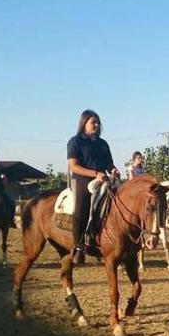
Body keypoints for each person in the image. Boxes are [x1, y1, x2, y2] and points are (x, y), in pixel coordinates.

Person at [66, 109, 119, 265]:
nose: (96, 125)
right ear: (84, 124)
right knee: (81, 207)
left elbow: (109, 164)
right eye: (92, 122)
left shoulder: (103, 144)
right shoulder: (75, 142)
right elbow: (74, 166)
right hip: (82, 180)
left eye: (97, 122)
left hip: (102, 179)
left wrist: (113, 169)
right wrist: (95, 173)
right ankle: (78, 246)